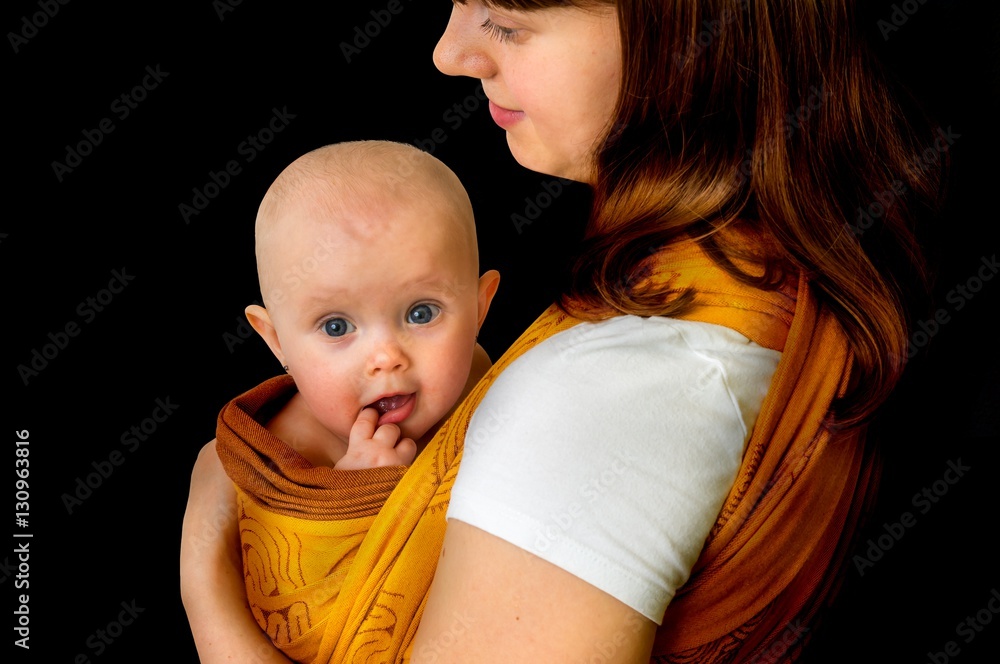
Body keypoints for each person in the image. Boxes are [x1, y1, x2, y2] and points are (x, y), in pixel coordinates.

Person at [181, 1, 944, 662]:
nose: (451, 52)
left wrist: (205, 583)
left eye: (507, 21)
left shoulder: (613, 393)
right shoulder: (780, 269)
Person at [198, 140, 500, 661]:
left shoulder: (489, 384)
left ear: (480, 306)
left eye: (421, 313)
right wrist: (356, 497)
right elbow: (294, 625)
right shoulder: (269, 464)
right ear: (275, 341)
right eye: (336, 326)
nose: (385, 357)